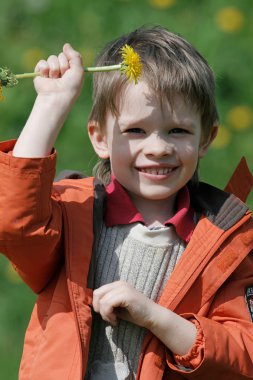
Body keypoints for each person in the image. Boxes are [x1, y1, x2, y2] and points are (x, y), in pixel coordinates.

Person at [0, 25, 252, 380]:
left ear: (206, 137)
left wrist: (154, 317)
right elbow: (14, 223)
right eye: (136, 131)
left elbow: (241, 357)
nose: (158, 148)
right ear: (100, 138)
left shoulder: (226, 241)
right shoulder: (72, 215)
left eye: (177, 130)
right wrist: (50, 105)